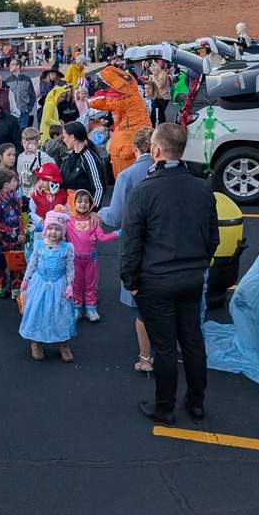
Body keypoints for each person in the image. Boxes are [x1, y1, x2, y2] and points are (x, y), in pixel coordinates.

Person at [120, 123, 219, 425]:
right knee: (192, 340)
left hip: (156, 281)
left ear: (156, 150)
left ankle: (165, 408)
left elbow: (131, 244)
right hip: (191, 279)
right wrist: (199, 266)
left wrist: (131, 282)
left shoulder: (143, 192)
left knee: (163, 347)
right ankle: (196, 403)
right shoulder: (201, 188)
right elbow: (212, 237)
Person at [97, 127, 155, 372]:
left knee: (142, 310)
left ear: (135, 148)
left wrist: (100, 212)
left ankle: (146, 358)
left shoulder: (128, 176)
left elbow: (116, 215)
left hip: (138, 248)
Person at [20, 208, 75, 361]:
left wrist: (70, 285)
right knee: (38, 311)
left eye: (57, 229)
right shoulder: (38, 245)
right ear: (45, 229)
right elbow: (32, 264)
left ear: (62, 231)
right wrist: (26, 280)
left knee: (60, 313)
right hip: (40, 284)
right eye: (50, 228)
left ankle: (63, 344)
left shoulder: (67, 248)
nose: (53, 232)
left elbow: (70, 268)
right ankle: (36, 342)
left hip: (59, 285)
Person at [64, 189, 121, 322]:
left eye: (86, 201)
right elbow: (55, 225)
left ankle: (91, 308)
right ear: (74, 203)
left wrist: (119, 232)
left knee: (91, 284)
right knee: (76, 284)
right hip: (75, 259)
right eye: (79, 201)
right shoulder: (68, 221)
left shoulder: (93, 221)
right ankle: (77, 307)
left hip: (91, 259)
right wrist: (39, 227)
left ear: (90, 204)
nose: (83, 204)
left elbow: (102, 237)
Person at [0, 169, 25, 299]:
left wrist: (20, 231)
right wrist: (8, 230)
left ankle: (16, 286)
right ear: (6, 184)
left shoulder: (16, 198)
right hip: (1, 239)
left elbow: (20, 215)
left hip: (15, 238)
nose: (17, 182)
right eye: (14, 180)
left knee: (17, 263)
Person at [59, 121, 104, 208]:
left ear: (72, 137)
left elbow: (98, 187)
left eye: (64, 137)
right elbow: (60, 181)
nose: (63, 140)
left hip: (84, 208)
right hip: (69, 206)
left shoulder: (89, 158)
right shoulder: (67, 156)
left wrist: (94, 209)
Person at [17, 127, 51, 200]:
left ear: (37, 142)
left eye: (30, 142)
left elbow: (50, 164)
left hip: (37, 192)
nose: (27, 145)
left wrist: (36, 152)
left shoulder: (40, 154)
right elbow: (19, 173)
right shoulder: (20, 157)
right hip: (24, 192)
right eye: (24, 142)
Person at [6, 58, 37, 130]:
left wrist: (28, 109)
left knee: (23, 133)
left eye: (12, 64)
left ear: (18, 66)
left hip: (24, 112)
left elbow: (32, 95)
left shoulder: (27, 80)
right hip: (13, 113)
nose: (10, 66)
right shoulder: (7, 81)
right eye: (10, 64)